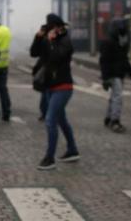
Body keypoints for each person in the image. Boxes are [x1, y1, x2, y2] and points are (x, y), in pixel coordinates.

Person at [31, 13, 79, 171]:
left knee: (50, 119)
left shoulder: (65, 41)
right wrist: (39, 37)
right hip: (49, 86)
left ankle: (49, 158)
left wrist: (51, 41)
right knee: (61, 120)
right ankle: (72, 150)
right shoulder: (48, 39)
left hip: (63, 86)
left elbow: (58, 56)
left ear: (59, 28)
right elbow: (34, 53)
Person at [99, 18, 131, 133]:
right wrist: (105, 78)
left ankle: (109, 118)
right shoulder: (110, 42)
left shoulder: (121, 42)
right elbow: (103, 61)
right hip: (113, 74)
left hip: (118, 74)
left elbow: (124, 60)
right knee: (117, 97)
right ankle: (114, 121)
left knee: (114, 97)